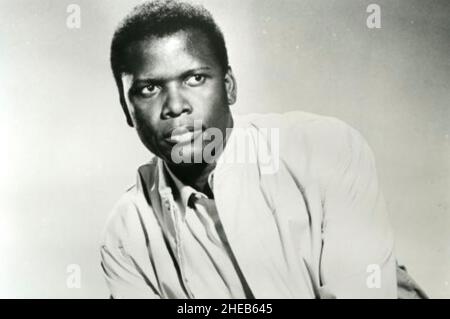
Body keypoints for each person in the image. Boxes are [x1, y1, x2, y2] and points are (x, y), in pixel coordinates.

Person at [100, 0, 427, 299]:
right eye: (149, 88)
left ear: (229, 86)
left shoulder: (324, 151)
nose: (175, 106)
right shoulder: (127, 231)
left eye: (195, 79)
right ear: (126, 109)